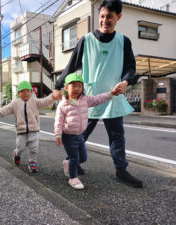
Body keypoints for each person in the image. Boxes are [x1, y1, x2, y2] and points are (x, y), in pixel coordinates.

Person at [53, 0, 143, 188]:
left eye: (109, 17)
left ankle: (121, 170)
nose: (104, 20)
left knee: (117, 136)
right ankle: (73, 163)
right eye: (102, 16)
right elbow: (71, 65)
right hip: (88, 97)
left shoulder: (123, 41)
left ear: (118, 17)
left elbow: (130, 67)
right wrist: (58, 85)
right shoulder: (86, 40)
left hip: (112, 96)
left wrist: (126, 81)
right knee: (79, 134)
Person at [55, 73, 119, 189]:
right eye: (73, 86)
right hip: (68, 136)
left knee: (83, 158)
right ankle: (73, 178)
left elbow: (97, 99)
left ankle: (67, 164)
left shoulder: (84, 100)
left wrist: (110, 94)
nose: (77, 89)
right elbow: (58, 121)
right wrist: (58, 135)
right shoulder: (63, 104)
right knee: (74, 158)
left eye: (79, 86)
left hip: (80, 134)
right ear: (66, 88)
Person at [0, 81, 55, 172]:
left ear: (31, 92)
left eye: (27, 91)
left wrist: (52, 97)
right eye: (22, 91)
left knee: (34, 148)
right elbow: (4, 110)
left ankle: (32, 162)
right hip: (21, 131)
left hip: (33, 130)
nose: (25, 93)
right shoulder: (15, 103)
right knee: (21, 148)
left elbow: (44, 102)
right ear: (18, 93)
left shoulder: (34, 101)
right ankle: (17, 154)